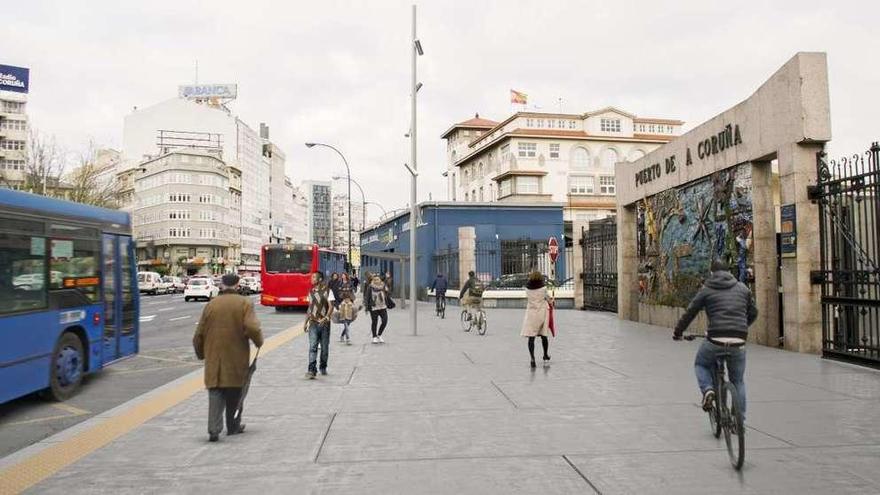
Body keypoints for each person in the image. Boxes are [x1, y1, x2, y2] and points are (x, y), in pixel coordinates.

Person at [674, 260, 758, 417]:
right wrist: (742, 326)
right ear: (729, 272)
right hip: (739, 340)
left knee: (701, 364)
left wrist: (678, 332)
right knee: (738, 381)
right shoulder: (743, 288)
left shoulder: (706, 290)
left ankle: (708, 390)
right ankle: (739, 419)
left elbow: (690, 312)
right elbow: (753, 312)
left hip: (715, 339)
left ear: (712, 273)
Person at [193, 273, 264, 442]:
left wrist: (201, 353)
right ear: (238, 284)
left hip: (214, 357)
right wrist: (258, 341)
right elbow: (252, 327)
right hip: (236, 356)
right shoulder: (244, 303)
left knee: (215, 391)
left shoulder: (211, 304)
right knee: (236, 392)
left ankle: (213, 429)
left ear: (222, 285)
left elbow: (199, 334)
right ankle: (233, 426)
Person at [306, 271, 335, 379]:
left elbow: (331, 306)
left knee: (324, 348)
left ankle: (323, 366)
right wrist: (305, 322)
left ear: (320, 279)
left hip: (324, 324)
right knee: (312, 347)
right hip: (313, 322)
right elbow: (310, 308)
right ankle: (311, 370)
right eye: (311, 277)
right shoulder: (310, 292)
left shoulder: (328, 291)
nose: (311, 279)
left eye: (314, 277)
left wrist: (326, 317)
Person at [520, 271, 552, 369]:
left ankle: (532, 359)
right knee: (544, 336)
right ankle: (545, 355)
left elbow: (528, 298)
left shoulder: (527, 289)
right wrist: (551, 301)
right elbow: (548, 299)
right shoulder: (543, 288)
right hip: (542, 313)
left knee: (531, 337)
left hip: (531, 314)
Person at [364, 275, 390, 344]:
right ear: (373, 280)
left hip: (383, 306)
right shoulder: (370, 287)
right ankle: (374, 337)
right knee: (374, 322)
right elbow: (367, 297)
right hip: (374, 307)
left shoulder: (383, 286)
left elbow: (387, 293)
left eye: (378, 279)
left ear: (380, 280)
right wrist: (366, 308)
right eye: (375, 279)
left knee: (385, 321)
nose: (376, 280)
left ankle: (379, 334)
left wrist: (387, 290)